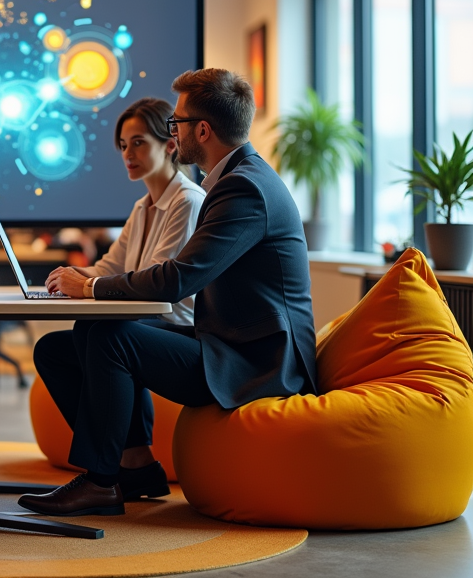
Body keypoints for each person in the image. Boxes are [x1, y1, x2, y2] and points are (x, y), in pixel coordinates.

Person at [22, 68, 316, 517]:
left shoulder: (243, 189)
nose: (171, 130)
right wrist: (91, 288)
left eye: (175, 122)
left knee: (109, 336)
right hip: (228, 344)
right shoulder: (234, 179)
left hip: (257, 364)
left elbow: (178, 278)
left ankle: (103, 482)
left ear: (202, 129)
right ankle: (135, 468)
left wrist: (93, 287)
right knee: (61, 348)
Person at [60, 97, 204, 329]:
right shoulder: (141, 207)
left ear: (170, 145)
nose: (127, 154)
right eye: (124, 145)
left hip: (176, 326)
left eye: (138, 143)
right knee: (52, 347)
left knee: (98, 331)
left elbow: (156, 282)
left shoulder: (187, 201)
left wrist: (87, 284)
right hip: (143, 319)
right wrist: (71, 275)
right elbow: (108, 269)